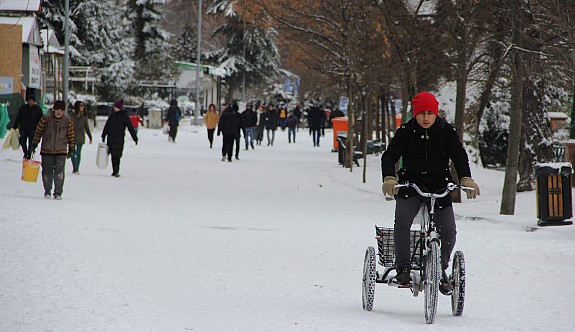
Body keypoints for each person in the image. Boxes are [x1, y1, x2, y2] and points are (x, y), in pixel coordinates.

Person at [380, 91, 480, 295]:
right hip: (411, 186)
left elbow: (459, 156)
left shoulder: (446, 132)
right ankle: (403, 268)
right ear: (415, 114)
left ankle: (439, 268)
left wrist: (465, 178)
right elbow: (389, 156)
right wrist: (389, 177)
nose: (426, 118)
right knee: (402, 222)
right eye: (421, 113)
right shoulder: (406, 132)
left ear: (436, 114)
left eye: (430, 113)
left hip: (440, 187)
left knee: (449, 231)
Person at [31, 100, 74, 200]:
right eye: (57, 110)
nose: (59, 112)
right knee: (47, 171)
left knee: (59, 172)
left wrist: (71, 148)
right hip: (47, 150)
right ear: (54, 110)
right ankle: (47, 190)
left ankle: (58, 192)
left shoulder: (67, 120)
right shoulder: (46, 118)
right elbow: (39, 131)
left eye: (61, 110)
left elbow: (71, 135)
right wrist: (34, 144)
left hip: (61, 150)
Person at [101, 99, 138, 177]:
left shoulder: (124, 116)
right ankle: (114, 170)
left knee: (117, 155)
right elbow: (107, 126)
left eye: (116, 107)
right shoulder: (112, 115)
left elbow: (130, 127)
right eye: (114, 107)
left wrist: (135, 138)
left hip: (119, 138)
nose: (115, 108)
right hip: (111, 138)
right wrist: (103, 135)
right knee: (112, 155)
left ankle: (116, 171)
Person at [13, 95, 43, 160]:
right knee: (22, 141)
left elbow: (41, 119)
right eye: (30, 100)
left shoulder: (38, 109)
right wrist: (15, 126)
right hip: (23, 128)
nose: (31, 102)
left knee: (31, 142)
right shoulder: (23, 108)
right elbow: (19, 117)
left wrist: (40, 128)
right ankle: (25, 152)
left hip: (33, 128)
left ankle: (29, 154)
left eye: (32, 100)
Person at [69, 100, 93, 174]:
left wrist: (90, 136)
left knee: (78, 153)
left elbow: (86, 127)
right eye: (81, 105)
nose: (82, 107)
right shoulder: (71, 115)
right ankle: (74, 167)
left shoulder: (84, 116)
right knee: (72, 152)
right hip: (72, 135)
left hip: (80, 135)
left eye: (83, 106)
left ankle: (76, 169)